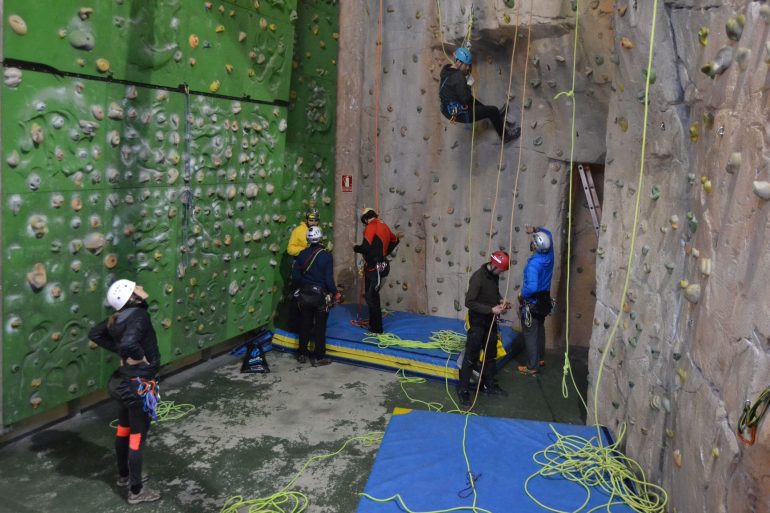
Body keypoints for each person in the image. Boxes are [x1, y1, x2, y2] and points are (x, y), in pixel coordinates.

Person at [88, 279, 162, 505]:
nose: (141, 287)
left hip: (122, 383)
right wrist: (140, 357)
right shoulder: (139, 316)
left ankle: (124, 476)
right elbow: (130, 342)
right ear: (132, 297)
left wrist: (120, 350)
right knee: (137, 438)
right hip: (138, 384)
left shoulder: (117, 318)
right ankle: (137, 491)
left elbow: (95, 333)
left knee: (123, 429)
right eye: (136, 287)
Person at [457, 251, 512, 406]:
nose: (501, 273)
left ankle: (489, 385)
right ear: (494, 265)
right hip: (478, 322)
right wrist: (490, 310)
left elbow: (492, 294)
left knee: (490, 354)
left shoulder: (493, 276)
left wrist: (501, 301)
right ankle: (463, 390)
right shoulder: (478, 278)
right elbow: (470, 302)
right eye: (501, 270)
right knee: (471, 356)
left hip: (490, 322)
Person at [439, 47, 520, 143]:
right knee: (492, 110)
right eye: (467, 65)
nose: (468, 68)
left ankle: (495, 115)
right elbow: (465, 98)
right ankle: (505, 136)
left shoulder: (447, 69)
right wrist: (469, 84)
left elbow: (459, 91)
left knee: (475, 102)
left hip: (447, 108)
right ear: (459, 62)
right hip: (459, 114)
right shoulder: (458, 77)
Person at [292, 226, 341, 366]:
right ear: (320, 238)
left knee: (305, 323)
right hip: (320, 297)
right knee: (320, 327)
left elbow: (295, 276)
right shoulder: (326, 256)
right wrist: (335, 292)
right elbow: (328, 280)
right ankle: (319, 357)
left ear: (308, 238)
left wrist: (305, 285)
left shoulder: (301, 254)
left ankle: (301, 353)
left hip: (304, 295)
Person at [353, 208, 399, 334]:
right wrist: (384, 253)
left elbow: (365, 247)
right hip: (379, 265)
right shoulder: (384, 225)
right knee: (372, 296)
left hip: (375, 267)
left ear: (365, 219)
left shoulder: (371, 226)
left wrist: (355, 247)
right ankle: (373, 325)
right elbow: (395, 240)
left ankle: (377, 329)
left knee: (371, 296)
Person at [518, 226, 555, 375]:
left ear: (535, 246)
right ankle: (539, 358)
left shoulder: (534, 264)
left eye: (533, 241)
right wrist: (536, 229)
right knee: (540, 328)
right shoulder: (550, 255)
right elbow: (549, 233)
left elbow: (532, 288)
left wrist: (522, 295)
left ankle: (532, 366)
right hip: (544, 300)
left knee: (530, 333)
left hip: (532, 302)